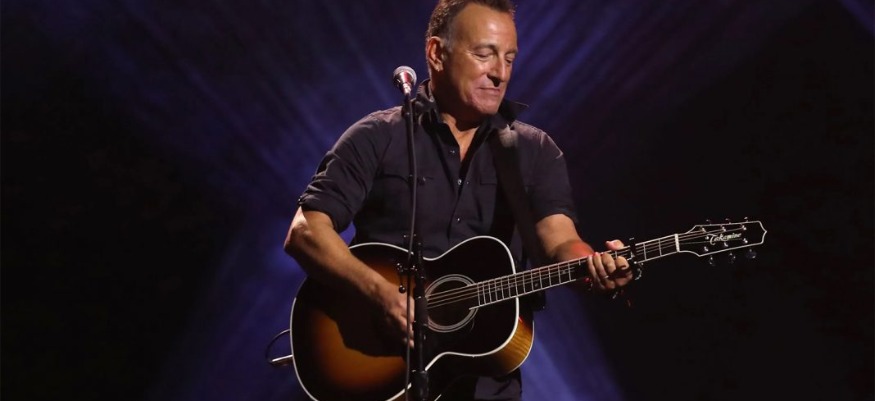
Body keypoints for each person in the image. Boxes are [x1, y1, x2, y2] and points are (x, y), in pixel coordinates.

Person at [284, 0, 633, 399]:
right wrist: (378, 293)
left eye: (509, 58)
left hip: (486, 386)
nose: (500, 73)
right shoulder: (377, 136)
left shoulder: (534, 151)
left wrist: (594, 267)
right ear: (436, 53)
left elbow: (561, 241)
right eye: (485, 54)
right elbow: (306, 231)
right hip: (377, 369)